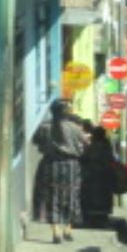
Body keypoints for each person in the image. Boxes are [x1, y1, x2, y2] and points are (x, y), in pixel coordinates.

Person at [31, 98, 85, 244]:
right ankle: (68, 229)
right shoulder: (75, 128)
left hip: (50, 165)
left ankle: (56, 232)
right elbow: (85, 144)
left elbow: (35, 141)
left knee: (52, 197)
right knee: (71, 196)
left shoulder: (44, 127)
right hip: (71, 167)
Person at [79, 123, 118, 228]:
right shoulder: (107, 147)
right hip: (104, 177)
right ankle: (101, 219)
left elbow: (83, 159)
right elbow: (111, 160)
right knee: (103, 199)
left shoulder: (92, 147)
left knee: (91, 199)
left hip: (91, 177)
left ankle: (91, 219)